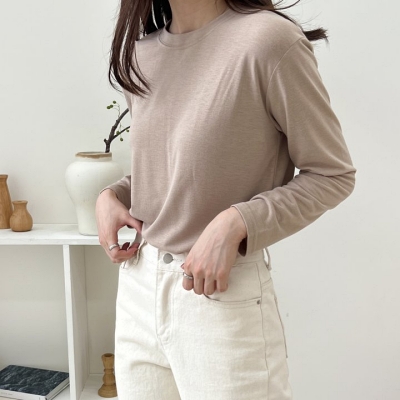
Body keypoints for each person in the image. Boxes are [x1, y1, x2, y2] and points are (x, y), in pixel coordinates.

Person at [96, 0, 356, 399]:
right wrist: (113, 195)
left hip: (219, 295)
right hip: (138, 291)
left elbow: (332, 174)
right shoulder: (141, 54)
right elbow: (178, 167)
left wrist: (237, 222)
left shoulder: (268, 41)